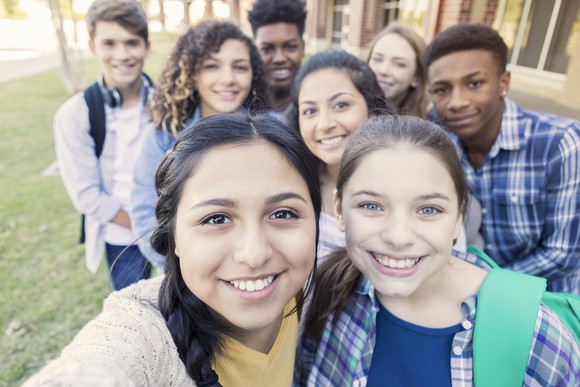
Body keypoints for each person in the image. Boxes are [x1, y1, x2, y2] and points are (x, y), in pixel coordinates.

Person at [24, 113, 321, 386]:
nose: (255, 254)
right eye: (216, 218)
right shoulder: (143, 337)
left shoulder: (322, 297)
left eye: (283, 214)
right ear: (175, 237)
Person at [294, 115, 579, 386]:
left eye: (428, 209)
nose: (398, 237)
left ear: (458, 218)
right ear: (339, 210)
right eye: (371, 206)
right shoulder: (329, 288)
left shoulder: (535, 336)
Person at [424, 23, 580, 294]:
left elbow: (562, 254)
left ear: (503, 83)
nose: (456, 101)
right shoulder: (437, 138)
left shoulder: (560, 143)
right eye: (442, 90)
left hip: (544, 301)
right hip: (463, 296)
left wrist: (480, 284)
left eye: (474, 83)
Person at [130, 20, 267, 268]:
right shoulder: (164, 135)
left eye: (240, 67)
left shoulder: (272, 131)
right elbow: (144, 213)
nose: (228, 79)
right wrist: (181, 272)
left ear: (253, 74)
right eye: (212, 66)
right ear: (192, 73)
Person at [54, 0, 153, 290]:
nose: (122, 55)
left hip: (173, 232)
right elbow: (87, 196)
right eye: (109, 43)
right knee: (135, 318)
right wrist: (148, 229)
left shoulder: (165, 103)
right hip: (123, 239)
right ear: (93, 46)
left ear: (146, 46)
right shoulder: (74, 115)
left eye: (131, 42)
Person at [290, 49, 393, 261]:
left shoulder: (410, 183)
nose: (325, 124)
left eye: (341, 105)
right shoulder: (291, 186)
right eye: (310, 111)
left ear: (373, 110)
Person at [248, 0, 307, 115]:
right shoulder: (238, 104)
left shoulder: (317, 106)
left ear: (302, 48)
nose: (279, 59)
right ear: (253, 51)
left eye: (290, 47)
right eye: (267, 49)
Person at [367, 22, 429, 117]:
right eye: (377, 59)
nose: (384, 71)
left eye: (399, 64)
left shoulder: (431, 124)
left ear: (416, 77)